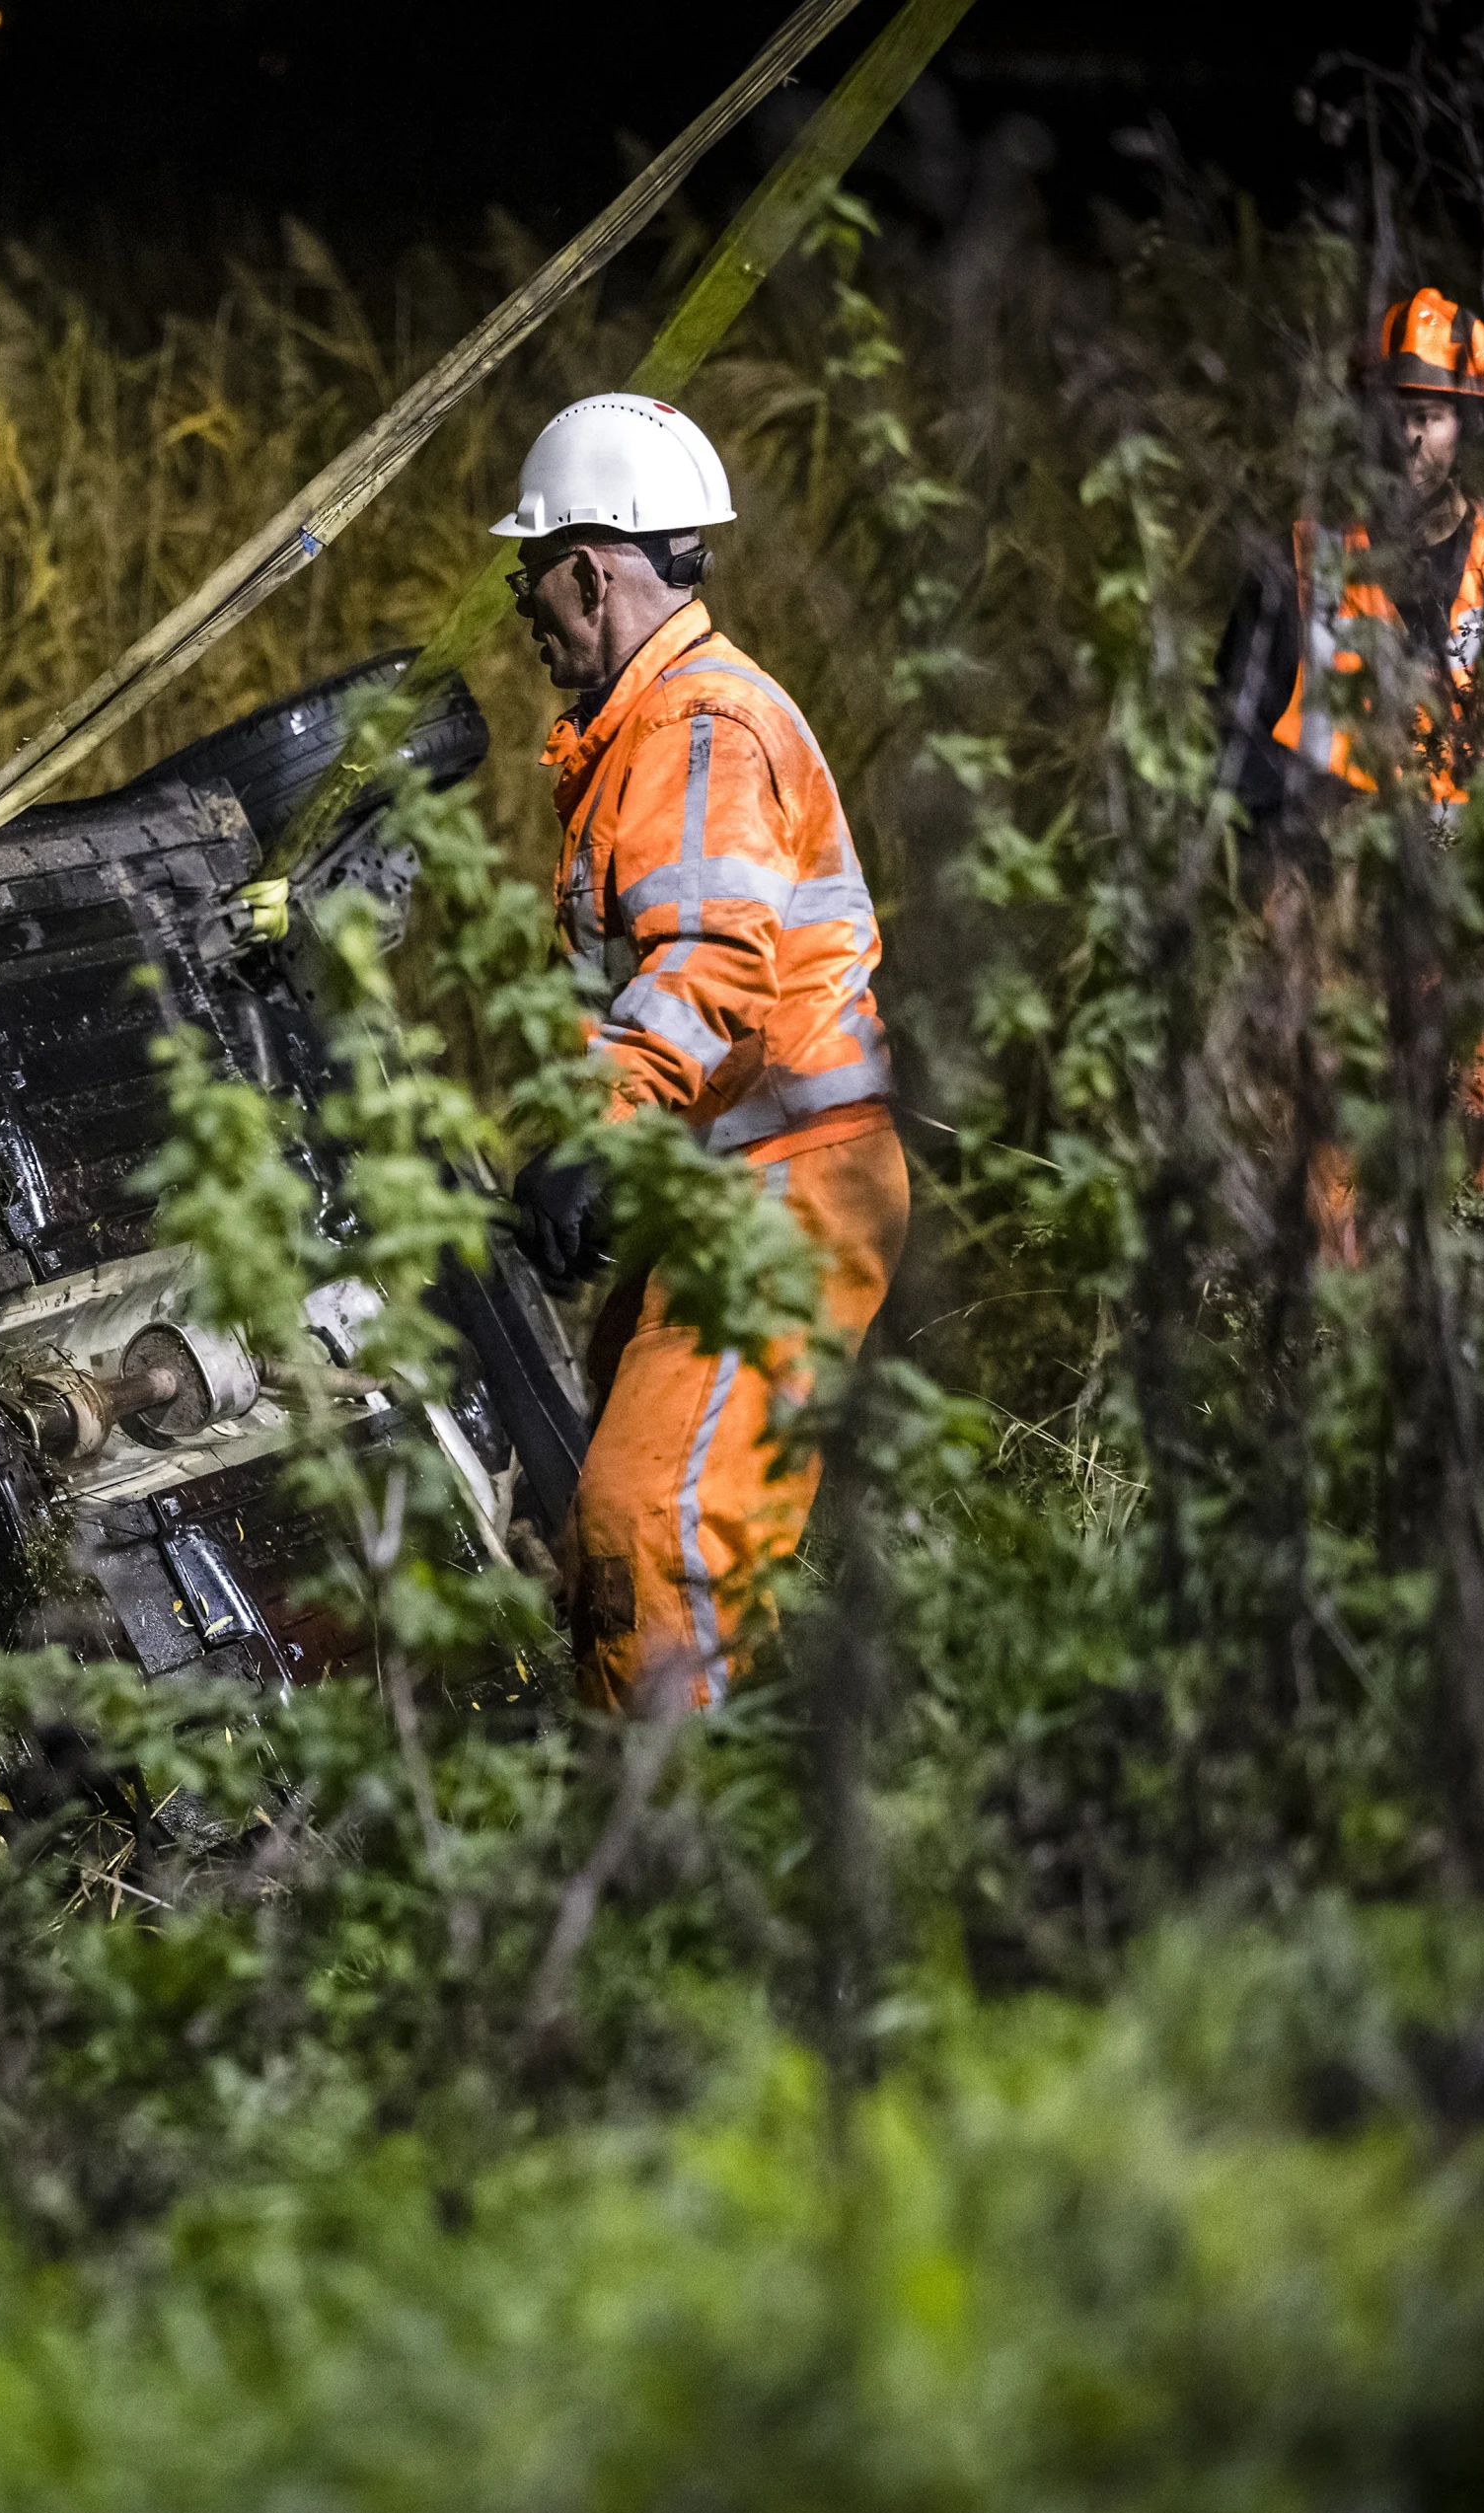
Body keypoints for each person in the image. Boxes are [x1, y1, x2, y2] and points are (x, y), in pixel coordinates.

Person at [490, 395, 908, 1717]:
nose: (528, 618)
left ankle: (680, 1858)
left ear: (588, 570)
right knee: (634, 1500)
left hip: (785, 1190)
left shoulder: (697, 728)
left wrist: (598, 1130)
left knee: (646, 1530)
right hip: (738, 1181)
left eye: (530, 583)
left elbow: (708, 964)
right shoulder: (660, 726)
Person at [1217, 286, 1484, 836]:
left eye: (1428, 417)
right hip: (1338, 894)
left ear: (1471, 428)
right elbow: (1233, 747)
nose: (1406, 438)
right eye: (1392, 415)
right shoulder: (1297, 568)